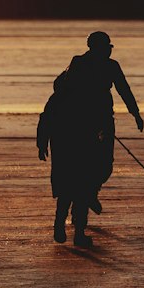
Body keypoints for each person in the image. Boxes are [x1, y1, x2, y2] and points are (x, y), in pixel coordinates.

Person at [66, 31, 144, 209]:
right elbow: (67, 88)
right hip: (82, 121)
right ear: (96, 48)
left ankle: (92, 192)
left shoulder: (112, 66)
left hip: (104, 119)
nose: (109, 51)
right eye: (107, 48)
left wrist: (135, 113)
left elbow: (124, 89)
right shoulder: (79, 62)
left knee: (105, 164)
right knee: (84, 163)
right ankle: (81, 204)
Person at [37, 70, 104, 245]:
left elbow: (44, 122)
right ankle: (78, 233)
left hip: (63, 151)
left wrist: (41, 144)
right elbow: (96, 123)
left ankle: (60, 225)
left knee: (66, 191)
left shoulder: (56, 99)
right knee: (80, 191)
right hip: (79, 150)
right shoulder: (83, 100)